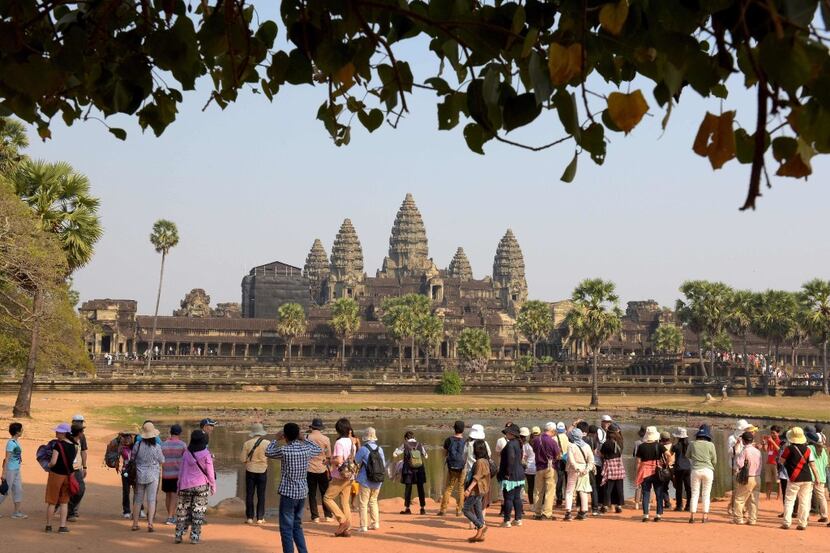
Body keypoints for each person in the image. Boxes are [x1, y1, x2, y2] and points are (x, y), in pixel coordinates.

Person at [266, 422, 322, 553]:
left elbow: (268, 452)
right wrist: (304, 439)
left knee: (286, 528)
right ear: (298, 435)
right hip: (302, 492)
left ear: (285, 436)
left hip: (288, 493)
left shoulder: (284, 450)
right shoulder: (306, 450)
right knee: (297, 525)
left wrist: (275, 439)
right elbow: (318, 450)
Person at [175, 429, 216, 544]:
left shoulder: (186, 453)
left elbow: (181, 471)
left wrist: (178, 485)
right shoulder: (206, 454)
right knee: (198, 512)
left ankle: (178, 535)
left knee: (182, 511)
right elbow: (210, 472)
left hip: (185, 485)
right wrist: (213, 486)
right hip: (201, 486)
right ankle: (194, 537)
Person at [780, 426, 820, 530]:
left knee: (789, 500)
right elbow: (813, 465)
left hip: (794, 478)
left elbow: (781, 461)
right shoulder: (807, 450)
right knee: (805, 501)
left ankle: (786, 522)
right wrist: (817, 478)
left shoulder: (788, 449)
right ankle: (802, 523)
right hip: (807, 477)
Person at [324, 417, 356, 536]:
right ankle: (347, 528)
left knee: (327, 498)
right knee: (345, 502)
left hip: (340, 475)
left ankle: (342, 521)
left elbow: (339, 460)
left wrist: (329, 461)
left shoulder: (339, 442)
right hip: (350, 474)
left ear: (338, 430)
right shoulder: (351, 441)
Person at [131, 421, 165, 532]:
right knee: (151, 499)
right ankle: (150, 523)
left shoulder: (138, 444)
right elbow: (162, 460)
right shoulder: (157, 446)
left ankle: (135, 523)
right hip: (153, 475)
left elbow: (133, 458)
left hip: (140, 474)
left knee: (138, 499)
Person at [45, 423, 76, 533]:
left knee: (52, 501)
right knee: (64, 502)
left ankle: (49, 526)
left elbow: (53, 462)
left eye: (59, 432)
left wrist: (47, 465)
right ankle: (62, 526)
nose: (56, 433)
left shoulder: (58, 445)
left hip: (56, 475)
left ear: (64, 433)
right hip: (68, 476)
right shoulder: (73, 445)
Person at [354, 427, 385, 532]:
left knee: (363, 503)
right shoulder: (380, 449)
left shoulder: (363, 449)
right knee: (373, 501)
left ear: (365, 436)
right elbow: (383, 465)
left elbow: (356, 461)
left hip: (365, 480)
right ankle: (375, 523)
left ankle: (363, 526)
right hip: (378, 480)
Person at [240, 422, 269, 524]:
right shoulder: (267, 443)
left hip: (250, 470)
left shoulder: (247, 443)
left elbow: (243, 459)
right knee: (261, 495)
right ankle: (260, 518)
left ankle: (249, 517)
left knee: (249, 494)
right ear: (261, 432)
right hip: (262, 470)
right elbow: (271, 455)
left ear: (253, 432)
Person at [687, 424, 717, 523]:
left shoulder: (692, 444)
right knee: (706, 494)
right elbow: (714, 460)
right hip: (708, 470)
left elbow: (688, 455)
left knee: (694, 493)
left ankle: (692, 516)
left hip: (695, 470)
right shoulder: (711, 445)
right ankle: (704, 516)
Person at [394, 430, 429, 515]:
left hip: (408, 470)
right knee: (420, 489)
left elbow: (395, 454)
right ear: (413, 437)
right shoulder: (419, 444)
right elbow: (426, 456)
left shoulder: (405, 445)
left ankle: (407, 508)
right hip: (419, 469)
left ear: (406, 438)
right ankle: (422, 509)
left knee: (408, 489)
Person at [497, 423, 525, 527]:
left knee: (508, 498)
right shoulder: (518, 443)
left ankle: (507, 520)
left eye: (508, 432)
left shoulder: (510, 444)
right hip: (519, 474)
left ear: (512, 434)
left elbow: (510, 459)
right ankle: (518, 519)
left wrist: (507, 473)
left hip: (511, 475)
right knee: (517, 498)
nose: (507, 434)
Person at [463, 440, 491, 543]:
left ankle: (481, 526)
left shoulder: (480, 462)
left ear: (476, 450)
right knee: (478, 509)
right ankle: (480, 534)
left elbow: (476, 478)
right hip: (482, 490)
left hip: (476, 490)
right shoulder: (485, 460)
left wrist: (468, 489)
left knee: (465, 509)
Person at [564, 428, 595, 521]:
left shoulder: (571, 446)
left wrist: (576, 468)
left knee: (569, 490)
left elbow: (571, 459)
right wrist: (587, 469)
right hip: (584, 469)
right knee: (583, 490)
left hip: (574, 470)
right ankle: (583, 512)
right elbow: (591, 460)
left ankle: (568, 512)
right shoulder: (587, 446)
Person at [532, 422, 561, 520]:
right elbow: (557, 456)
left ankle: (537, 512)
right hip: (550, 467)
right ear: (552, 431)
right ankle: (546, 513)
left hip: (539, 467)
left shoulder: (536, 440)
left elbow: (534, 451)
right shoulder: (552, 442)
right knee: (550, 491)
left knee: (538, 491)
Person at [635, 426, 664, 522]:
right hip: (656, 471)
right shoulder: (658, 445)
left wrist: (638, 473)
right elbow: (668, 454)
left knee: (646, 493)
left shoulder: (641, 446)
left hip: (645, 472)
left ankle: (646, 515)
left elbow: (638, 462)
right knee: (659, 493)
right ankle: (658, 514)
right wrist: (665, 464)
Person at [305, 418, 332, 523]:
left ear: (312, 427)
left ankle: (315, 516)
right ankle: (328, 515)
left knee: (311, 493)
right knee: (324, 492)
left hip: (309, 468)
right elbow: (329, 455)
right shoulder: (326, 439)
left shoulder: (307, 438)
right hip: (322, 468)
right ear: (320, 428)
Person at [733, 431, 762, 525]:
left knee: (740, 499)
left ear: (743, 441)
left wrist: (737, 454)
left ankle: (738, 519)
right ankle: (752, 519)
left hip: (747, 477)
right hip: (757, 477)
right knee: (754, 500)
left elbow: (740, 464)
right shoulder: (757, 451)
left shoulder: (744, 450)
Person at [439, 420, 466, 516]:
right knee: (461, 488)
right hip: (462, 467)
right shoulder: (465, 441)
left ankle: (443, 510)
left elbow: (444, 453)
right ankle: (459, 510)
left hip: (451, 466)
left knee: (448, 487)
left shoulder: (448, 440)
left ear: (454, 428)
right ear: (463, 429)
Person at [161, 424, 186, 525]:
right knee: (174, 495)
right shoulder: (182, 445)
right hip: (177, 474)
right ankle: (170, 517)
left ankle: (170, 515)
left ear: (170, 432)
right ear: (179, 433)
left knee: (168, 495)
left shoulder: (164, 444)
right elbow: (186, 459)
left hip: (166, 473)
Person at [1, 422, 26, 519]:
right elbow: (6, 459)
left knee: (18, 490)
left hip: (16, 469)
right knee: (5, 491)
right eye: (21, 430)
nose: (22, 431)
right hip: (10, 470)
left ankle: (16, 512)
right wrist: (4, 473)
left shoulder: (16, 442)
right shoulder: (11, 443)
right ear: (17, 432)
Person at [600, 423, 625, 514]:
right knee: (619, 486)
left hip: (609, 466)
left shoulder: (606, 443)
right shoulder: (620, 442)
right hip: (619, 465)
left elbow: (602, 454)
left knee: (608, 487)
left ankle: (605, 506)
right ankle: (619, 506)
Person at [67, 415, 87, 522]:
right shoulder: (67, 438)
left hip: (77, 468)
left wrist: (84, 466)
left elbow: (83, 451)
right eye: (78, 421)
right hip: (69, 469)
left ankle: (71, 510)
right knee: (69, 489)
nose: (80, 423)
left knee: (79, 489)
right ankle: (67, 510)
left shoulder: (82, 437)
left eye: (81, 422)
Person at [806, 429, 828, 523]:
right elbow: (826, 464)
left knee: (807, 496)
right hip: (821, 476)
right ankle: (824, 515)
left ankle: (805, 516)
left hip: (810, 475)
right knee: (822, 497)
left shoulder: (809, 448)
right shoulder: (823, 451)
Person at [113, 432, 135, 519]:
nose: (127, 440)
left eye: (128, 438)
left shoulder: (135, 447)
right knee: (126, 491)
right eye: (125, 438)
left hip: (135, 471)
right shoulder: (121, 448)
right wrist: (120, 436)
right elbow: (115, 443)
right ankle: (126, 511)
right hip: (126, 470)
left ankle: (140, 509)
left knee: (137, 491)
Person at [671, 427, 691, 512]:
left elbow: (670, 453)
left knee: (679, 487)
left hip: (679, 467)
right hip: (687, 467)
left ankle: (679, 506)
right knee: (688, 487)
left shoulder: (676, 446)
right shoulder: (689, 444)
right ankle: (689, 505)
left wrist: (673, 441)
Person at [762, 425, 782, 499]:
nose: (772, 434)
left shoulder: (780, 441)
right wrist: (764, 443)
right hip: (769, 462)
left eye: (774, 433)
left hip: (776, 463)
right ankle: (767, 497)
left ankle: (778, 497)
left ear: (778, 433)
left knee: (778, 481)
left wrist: (772, 441)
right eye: (771, 433)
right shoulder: (770, 441)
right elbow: (765, 450)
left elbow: (779, 450)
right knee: (768, 481)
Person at [554, 422, 569, 506]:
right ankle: (568, 498)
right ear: (564, 429)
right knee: (568, 480)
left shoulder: (554, 438)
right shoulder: (567, 437)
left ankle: (559, 499)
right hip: (567, 460)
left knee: (559, 480)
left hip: (558, 460)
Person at [520, 427, 536, 505]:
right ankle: (539, 503)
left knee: (530, 487)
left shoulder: (526, 445)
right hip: (538, 468)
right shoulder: (540, 443)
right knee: (539, 488)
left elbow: (523, 457)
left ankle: (532, 504)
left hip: (529, 468)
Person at [632, 425, 646, 509]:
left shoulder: (637, 443)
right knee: (648, 485)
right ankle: (647, 502)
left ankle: (637, 503)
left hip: (639, 464)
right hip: (648, 465)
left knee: (638, 484)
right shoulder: (651, 443)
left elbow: (634, 454)